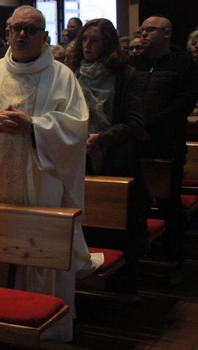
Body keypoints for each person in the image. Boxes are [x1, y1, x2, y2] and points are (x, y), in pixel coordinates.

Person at [0, 5, 102, 342]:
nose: (20, 34)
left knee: (38, 256)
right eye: (15, 27)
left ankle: (41, 326)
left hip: (39, 188)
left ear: (44, 36)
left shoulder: (62, 76)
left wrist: (34, 127)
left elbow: (76, 128)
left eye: (29, 29)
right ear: (7, 32)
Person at [72, 19, 147, 293]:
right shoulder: (72, 73)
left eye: (95, 40)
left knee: (116, 231)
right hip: (79, 161)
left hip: (115, 161)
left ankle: (121, 291)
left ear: (108, 44)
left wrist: (101, 138)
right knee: (86, 226)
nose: (88, 45)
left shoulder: (125, 75)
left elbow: (135, 123)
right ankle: (85, 288)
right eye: (84, 39)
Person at [130, 15, 198, 280]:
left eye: (150, 30)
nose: (144, 34)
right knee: (137, 202)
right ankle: (140, 252)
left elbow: (181, 105)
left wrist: (151, 127)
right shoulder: (133, 64)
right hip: (136, 144)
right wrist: (135, 126)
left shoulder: (184, 65)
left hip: (167, 145)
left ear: (166, 34)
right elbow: (127, 99)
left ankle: (173, 259)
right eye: (142, 30)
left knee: (169, 204)